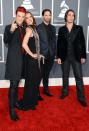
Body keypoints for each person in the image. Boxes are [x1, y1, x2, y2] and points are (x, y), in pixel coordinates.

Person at [57, 9, 87, 107]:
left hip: (76, 56)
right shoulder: (61, 29)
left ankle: (81, 98)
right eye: (69, 15)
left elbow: (82, 42)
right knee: (65, 76)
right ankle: (64, 93)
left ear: (74, 17)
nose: (71, 17)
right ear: (66, 16)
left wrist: (83, 55)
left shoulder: (79, 28)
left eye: (72, 15)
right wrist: (59, 57)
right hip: (65, 56)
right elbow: (59, 44)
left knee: (79, 77)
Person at [18, 11, 44, 111]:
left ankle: (31, 102)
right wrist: (32, 54)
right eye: (26, 18)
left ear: (32, 18)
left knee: (34, 82)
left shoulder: (33, 29)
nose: (29, 19)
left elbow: (35, 44)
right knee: (31, 82)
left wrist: (38, 54)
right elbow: (24, 44)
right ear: (24, 20)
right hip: (31, 61)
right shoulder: (29, 29)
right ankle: (27, 104)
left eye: (30, 17)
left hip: (35, 60)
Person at [4, 7, 26, 121]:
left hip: (22, 61)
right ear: (15, 15)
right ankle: (11, 109)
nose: (21, 19)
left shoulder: (24, 28)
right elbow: (6, 41)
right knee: (13, 84)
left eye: (23, 17)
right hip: (13, 60)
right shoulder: (9, 27)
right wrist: (12, 30)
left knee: (17, 83)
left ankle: (16, 102)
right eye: (19, 16)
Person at [37, 9, 56, 97]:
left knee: (46, 74)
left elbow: (54, 42)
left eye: (49, 15)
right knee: (39, 75)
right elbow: (36, 43)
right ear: (43, 16)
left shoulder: (53, 28)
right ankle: (36, 93)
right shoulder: (38, 27)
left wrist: (54, 53)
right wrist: (39, 54)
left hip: (51, 55)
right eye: (46, 15)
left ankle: (45, 90)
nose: (48, 17)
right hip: (42, 56)